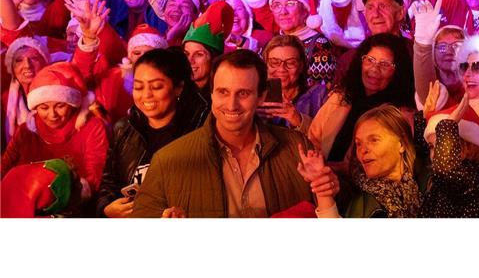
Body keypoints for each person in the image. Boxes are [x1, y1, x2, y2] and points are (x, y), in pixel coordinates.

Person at [130, 49, 338, 217]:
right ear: (211, 93)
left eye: (244, 93)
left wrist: (329, 189)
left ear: (261, 96)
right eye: (223, 92)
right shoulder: (169, 160)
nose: (232, 104)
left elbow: (328, 210)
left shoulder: (297, 148)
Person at [96, 48, 208, 217]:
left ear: (178, 88)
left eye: (156, 87)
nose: (146, 95)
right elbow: (108, 183)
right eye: (138, 87)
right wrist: (107, 208)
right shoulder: (124, 128)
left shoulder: (199, 130)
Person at [1, 62, 109, 214]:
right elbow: (5, 165)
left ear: (72, 104)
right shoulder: (27, 130)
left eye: (60, 106)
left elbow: (95, 176)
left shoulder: (92, 127)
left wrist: (67, 199)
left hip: (76, 209)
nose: (52, 115)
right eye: (44, 108)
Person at [299, 105, 425, 218]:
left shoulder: (426, 179)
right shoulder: (355, 195)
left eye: (374, 140)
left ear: (401, 143)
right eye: (358, 143)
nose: (363, 150)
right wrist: (323, 191)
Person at [308, 33, 414, 164]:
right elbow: (313, 139)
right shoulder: (341, 97)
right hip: (322, 176)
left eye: (385, 64)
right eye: (370, 60)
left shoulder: (400, 114)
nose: (374, 69)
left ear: (398, 72)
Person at [257, 34, 328, 134]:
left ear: (301, 66)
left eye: (290, 63)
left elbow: (327, 140)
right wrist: (252, 119)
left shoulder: (319, 95)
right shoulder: (255, 96)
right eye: (274, 62)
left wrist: (298, 120)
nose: (281, 69)